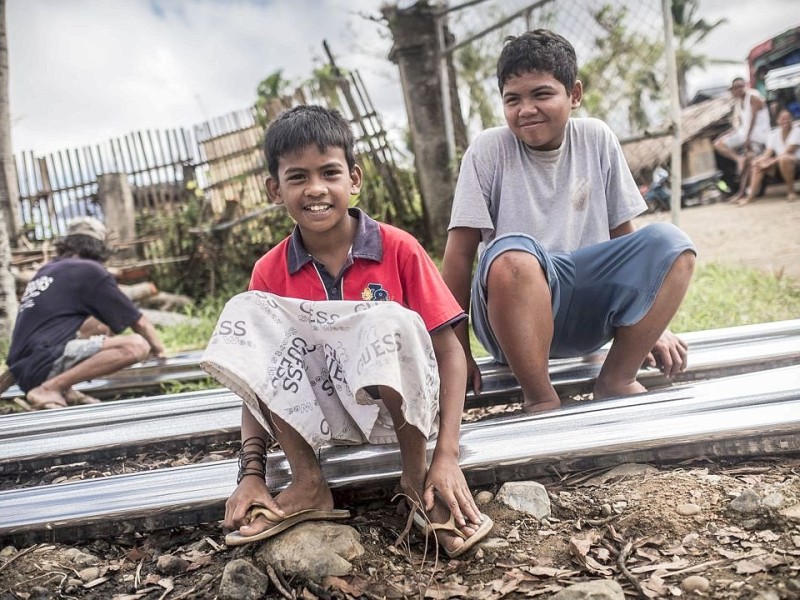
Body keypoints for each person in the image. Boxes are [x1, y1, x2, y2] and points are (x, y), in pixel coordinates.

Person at [200, 105, 492, 556]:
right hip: (324, 424)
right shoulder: (269, 270)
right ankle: (308, 482)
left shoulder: (399, 248)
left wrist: (446, 457)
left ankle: (417, 485)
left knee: (384, 317)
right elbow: (259, 376)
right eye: (297, 177)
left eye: (329, 173)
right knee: (248, 309)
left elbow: (450, 352)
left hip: (406, 418)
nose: (315, 189)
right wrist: (253, 475)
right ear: (275, 189)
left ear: (353, 179)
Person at [441, 29, 696, 413]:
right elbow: (459, 257)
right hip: (512, 314)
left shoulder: (596, 138)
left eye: (541, 94)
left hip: (586, 315)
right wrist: (456, 353)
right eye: (513, 99)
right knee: (512, 256)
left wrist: (651, 329)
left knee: (671, 245)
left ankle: (616, 379)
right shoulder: (488, 151)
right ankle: (540, 397)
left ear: (574, 95)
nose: (526, 109)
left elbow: (624, 242)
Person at [6, 217, 166, 410]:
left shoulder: (46, 270)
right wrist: (160, 352)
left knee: (101, 324)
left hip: (22, 369)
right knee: (137, 345)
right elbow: (139, 322)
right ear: (98, 246)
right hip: (44, 361)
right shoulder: (90, 270)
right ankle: (50, 388)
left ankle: (66, 389)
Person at [713, 77, 771, 202]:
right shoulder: (739, 102)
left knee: (750, 160)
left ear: (745, 86)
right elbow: (741, 125)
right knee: (718, 143)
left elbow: (753, 120)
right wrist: (730, 134)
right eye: (736, 87)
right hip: (745, 135)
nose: (738, 89)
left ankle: (746, 193)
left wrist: (747, 139)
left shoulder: (754, 97)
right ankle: (738, 160)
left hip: (758, 137)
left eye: (741, 86)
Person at [737, 107, 800, 205]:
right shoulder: (773, 134)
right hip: (779, 166)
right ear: (777, 120)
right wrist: (759, 161)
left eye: (788, 118)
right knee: (759, 164)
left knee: (785, 159)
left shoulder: (797, 131)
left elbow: (789, 151)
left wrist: (769, 163)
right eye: (783, 119)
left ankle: (791, 191)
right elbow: (767, 153)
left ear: (792, 119)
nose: (786, 121)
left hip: (795, 165)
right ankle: (751, 196)